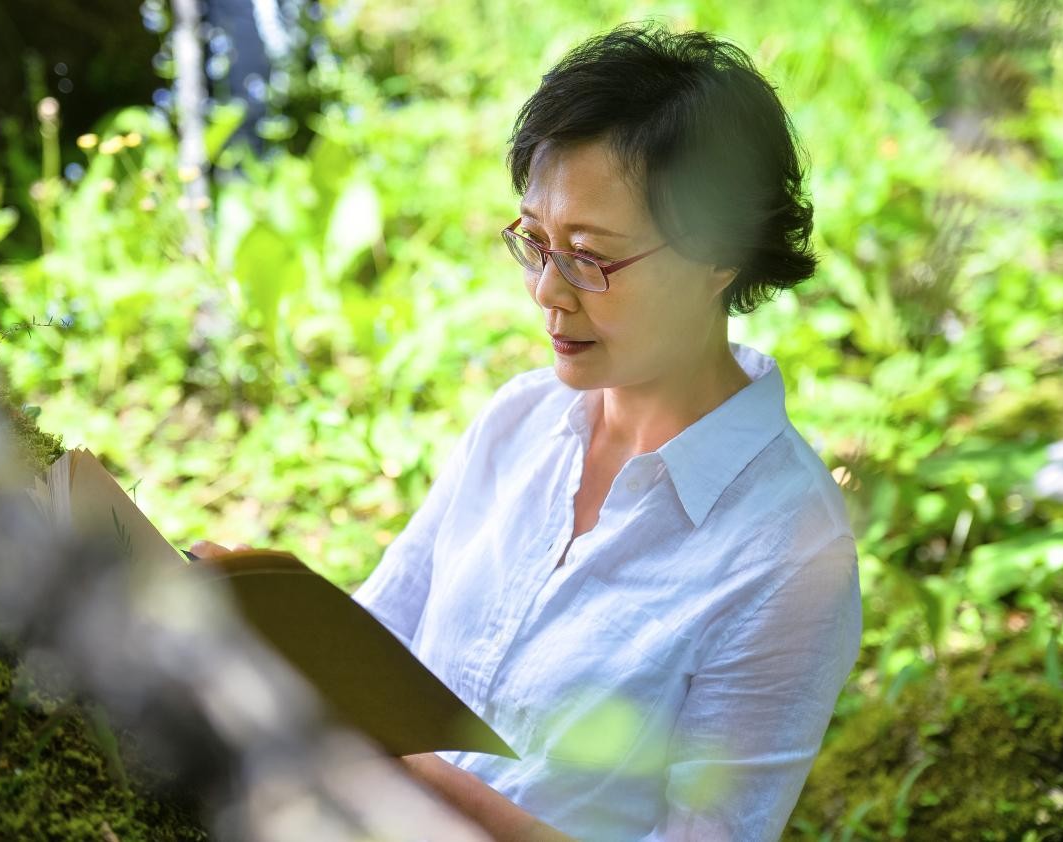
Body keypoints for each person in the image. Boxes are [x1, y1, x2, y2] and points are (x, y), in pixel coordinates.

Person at [198, 21, 862, 842]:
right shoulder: (520, 418)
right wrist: (265, 612)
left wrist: (415, 779)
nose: (548, 291)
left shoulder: (789, 557)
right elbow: (381, 638)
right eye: (535, 243)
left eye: (590, 257)